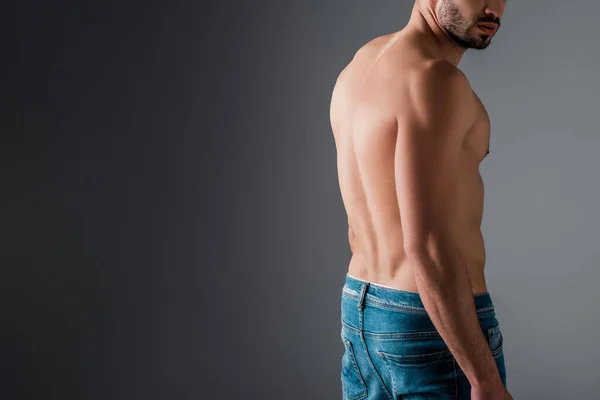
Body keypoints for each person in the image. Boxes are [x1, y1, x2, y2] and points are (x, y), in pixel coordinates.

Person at [330, 1, 513, 399]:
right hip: (429, 329)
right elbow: (427, 246)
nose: (493, 8)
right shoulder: (436, 81)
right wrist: (484, 381)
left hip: (362, 308)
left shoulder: (362, 64)